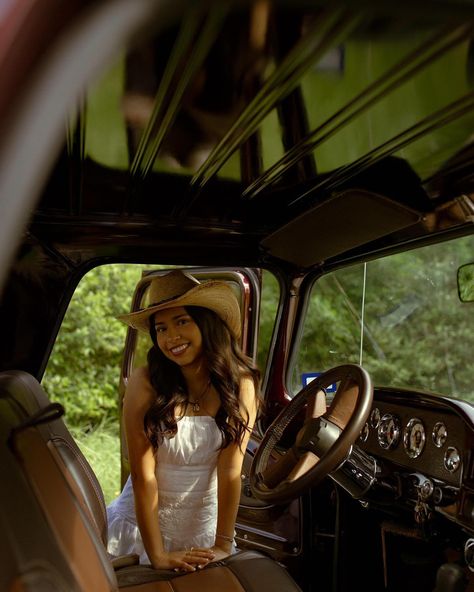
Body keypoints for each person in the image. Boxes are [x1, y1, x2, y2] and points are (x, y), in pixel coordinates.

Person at [106, 270, 261, 573]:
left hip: (204, 527)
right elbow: (143, 476)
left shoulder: (240, 383)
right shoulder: (145, 382)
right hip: (142, 529)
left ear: (206, 322)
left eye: (181, 322)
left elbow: (231, 473)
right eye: (161, 328)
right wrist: (158, 555)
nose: (170, 337)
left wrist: (222, 544)